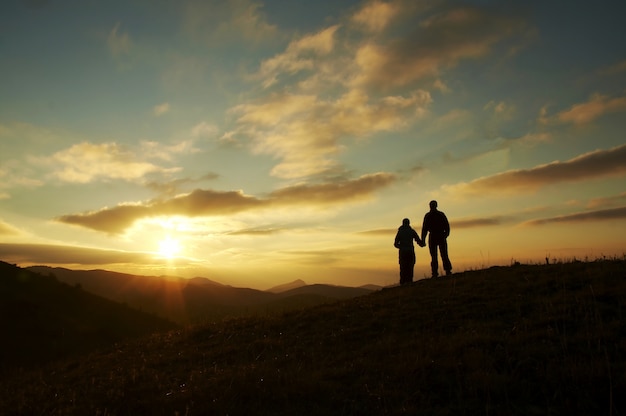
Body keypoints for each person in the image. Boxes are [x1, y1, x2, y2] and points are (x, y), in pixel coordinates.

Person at [421, 200, 452, 277]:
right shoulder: (439, 214)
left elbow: (424, 229)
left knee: (438, 255)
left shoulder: (430, 215)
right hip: (438, 236)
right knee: (441, 255)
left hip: (436, 236)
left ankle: (437, 272)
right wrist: (446, 234)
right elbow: (447, 226)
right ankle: (443, 271)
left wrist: (423, 240)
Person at [394, 218, 425, 285]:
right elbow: (417, 240)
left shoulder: (400, 232)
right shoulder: (411, 231)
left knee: (403, 267)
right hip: (410, 251)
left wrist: (401, 247)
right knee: (410, 266)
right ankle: (409, 281)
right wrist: (422, 244)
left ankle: (402, 282)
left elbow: (395, 244)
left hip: (403, 252)